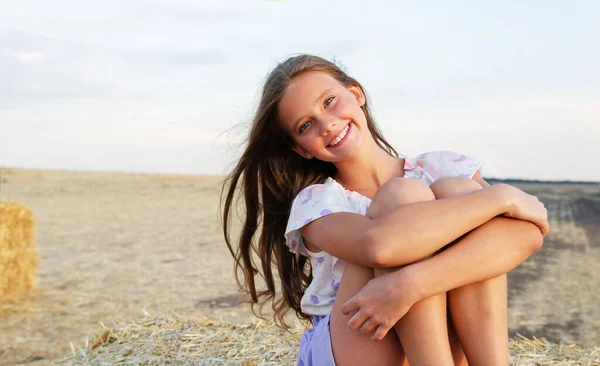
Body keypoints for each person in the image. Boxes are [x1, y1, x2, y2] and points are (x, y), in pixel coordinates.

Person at [221, 54, 549, 366]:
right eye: (305, 125)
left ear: (356, 93)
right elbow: (380, 247)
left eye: (329, 101)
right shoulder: (317, 202)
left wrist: (409, 286)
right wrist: (502, 197)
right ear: (299, 149)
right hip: (361, 342)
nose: (327, 124)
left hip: (440, 338)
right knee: (403, 199)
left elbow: (527, 236)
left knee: (458, 190)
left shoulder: (443, 168)